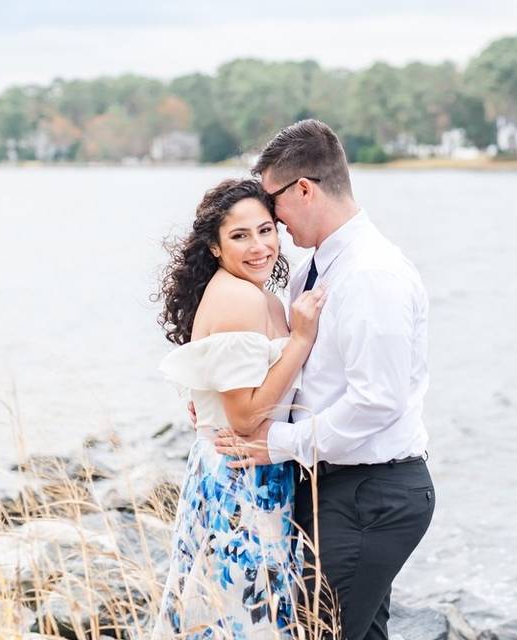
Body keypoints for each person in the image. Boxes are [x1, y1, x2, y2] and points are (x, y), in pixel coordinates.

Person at [213, 120, 435, 640]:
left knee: (318, 634)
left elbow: (377, 402)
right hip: (335, 486)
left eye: (273, 202)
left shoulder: (369, 275)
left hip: (371, 492)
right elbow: (308, 373)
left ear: (305, 189)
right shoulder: (317, 267)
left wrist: (279, 443)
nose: (272, 219)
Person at [152, 177, 327, 639]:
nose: (259, 247)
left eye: (266, 230)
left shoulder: (261, 295)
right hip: (239, 479)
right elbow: (245, 418)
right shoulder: (239, 297)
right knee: (241, 621)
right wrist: (303, 339)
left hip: (252, 473)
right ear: (213, 246)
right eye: (239, 236)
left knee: (233, 614)